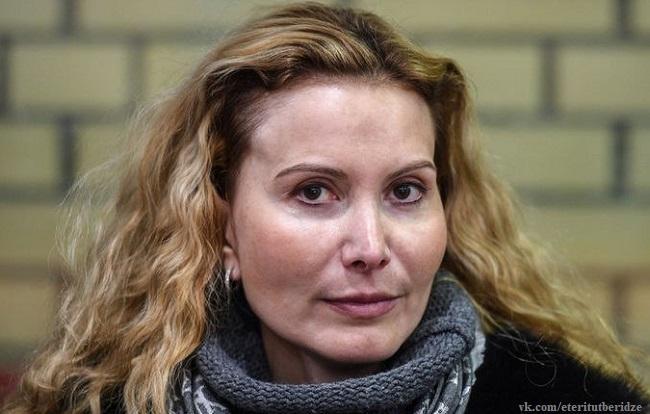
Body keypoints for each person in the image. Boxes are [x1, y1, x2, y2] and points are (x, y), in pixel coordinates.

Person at [4, 2, 648, 414]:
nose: (371, 247)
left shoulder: (570, 401)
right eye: (313, 192)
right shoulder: (105, 405)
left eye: (405, 191)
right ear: (219, 224)